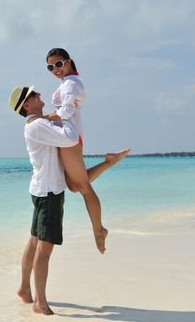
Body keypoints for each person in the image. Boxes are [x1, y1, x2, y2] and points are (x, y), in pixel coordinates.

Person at [9, 86, 128, 315]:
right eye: (34, 96)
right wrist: (70, 108)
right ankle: (39, 303)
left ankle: (25, 288)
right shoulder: (37, 126)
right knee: (44, 250)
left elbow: (76, 180)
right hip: (49, 194)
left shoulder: (37, 124)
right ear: (26, 105)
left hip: (42, 189)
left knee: (34, 241)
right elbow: (71, 137)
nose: (39, 96)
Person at [41, 48, 130, 253]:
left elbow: (66, 111)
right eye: (50, 67)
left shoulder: (72, 83)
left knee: (84, 189)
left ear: (69, 62)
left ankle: (99, 231)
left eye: (58, 64)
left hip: (70, 138)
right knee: (74, 186)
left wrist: (44, 119)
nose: (55, 69)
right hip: (69, 136)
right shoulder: (68, 82)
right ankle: (109, 162)